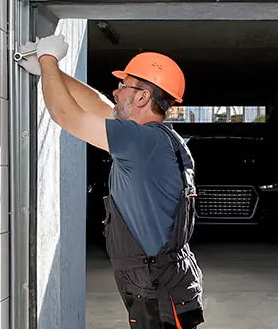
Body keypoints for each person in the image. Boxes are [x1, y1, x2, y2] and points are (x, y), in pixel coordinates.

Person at [18, 34, 205, 329]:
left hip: (159, 290)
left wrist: (48, 58)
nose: (116, 92)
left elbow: (65, 114)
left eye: (123, 86)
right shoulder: (152, 138)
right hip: (164, 283)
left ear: (143, 96)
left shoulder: (140, 140)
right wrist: (52, 73)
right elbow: (97, 104)